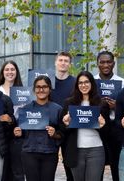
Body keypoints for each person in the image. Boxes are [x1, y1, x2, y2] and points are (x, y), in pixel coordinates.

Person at [13, 75, 65, 181]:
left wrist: (55, 134)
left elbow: (63, 133)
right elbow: (21, 132)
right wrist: (18, 133)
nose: (41, 89)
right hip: (29, 153)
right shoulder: (25, 109)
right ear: (34, 89)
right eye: (38, 87)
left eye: (45, 87)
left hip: (50, 153)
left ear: (50, 89)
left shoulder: (57, 109)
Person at [61, 71, 110, 181]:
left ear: (92, 83)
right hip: (76, 151)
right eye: (80, 83)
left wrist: (102, 125)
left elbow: (108, 132)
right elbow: (62, 130)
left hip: (96, 150)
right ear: (77, 85)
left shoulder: (101, 104)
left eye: (86, 82)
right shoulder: (69, 103)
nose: (83, 85)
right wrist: (66, 124)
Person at [93, 51, 124, 181]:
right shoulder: (92, 82)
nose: (105, 64)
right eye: (102, 62)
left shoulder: (123, 83)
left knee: (117, 167)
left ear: (113, 63)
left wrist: (117, 106)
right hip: (97, 129)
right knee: (97, 168)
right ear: (97, 64)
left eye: (108, 62)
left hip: (116, 129)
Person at [0, 60, 25, 181]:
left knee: (18, 170)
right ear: (3, 72)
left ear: (16, 72)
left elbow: (26, 113)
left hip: (17, 132)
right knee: (2, 171)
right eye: (7, 69)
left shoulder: (23, 91)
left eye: (12, 69)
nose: (10, 72)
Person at [51, 51, 76, 181]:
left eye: (66, 61)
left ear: (70, 64)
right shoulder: (47, 81)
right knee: (48, 167)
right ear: (55, 62)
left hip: (69, 128)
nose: (63, 63)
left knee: (69, 165)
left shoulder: (75, 82)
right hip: (51, 128)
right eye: (60, 60)